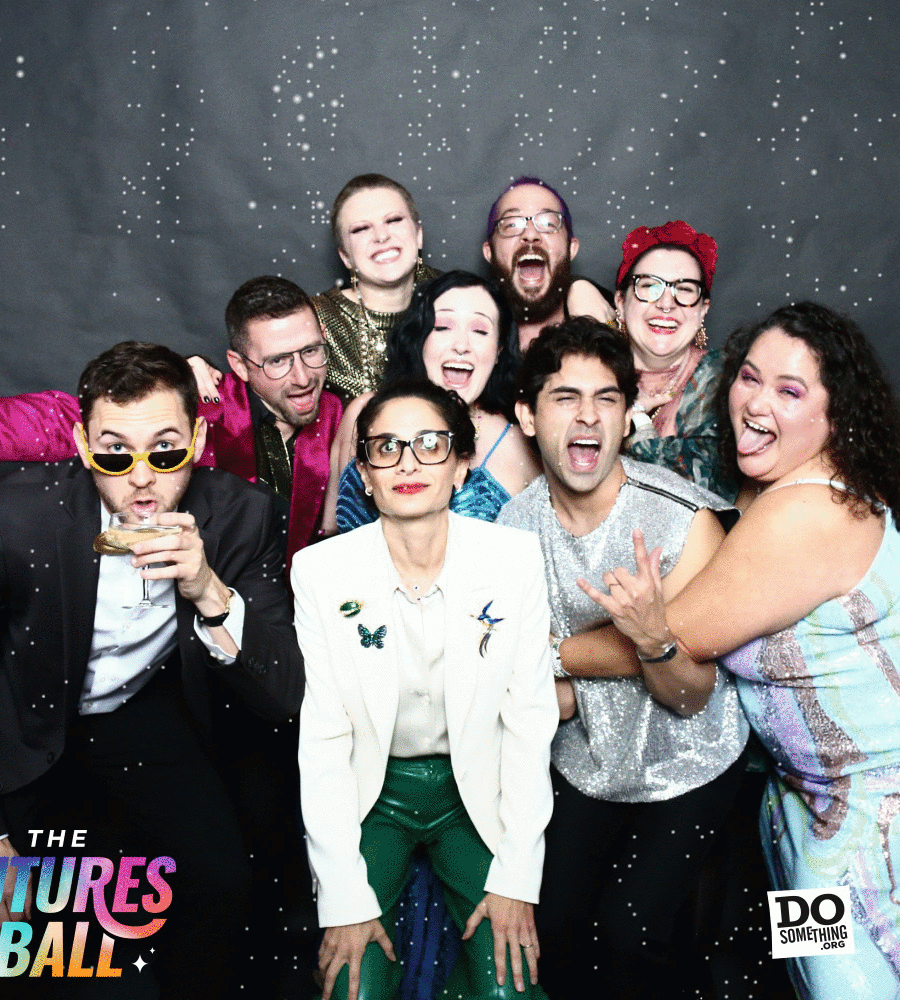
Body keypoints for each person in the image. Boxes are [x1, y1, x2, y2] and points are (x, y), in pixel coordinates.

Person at [0, 341, 304, 997]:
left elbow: (285, 692)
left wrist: (208, 590)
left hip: (138, 717)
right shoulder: (12, 515)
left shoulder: (239, 516)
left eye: (165, 449)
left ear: (200, 439)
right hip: (22, 721)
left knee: (224, 886)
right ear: (84, 445)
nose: (141, 476)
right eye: (116, 452)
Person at [579, 302, 900, 1000]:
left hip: (877, 823)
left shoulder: (811, 509)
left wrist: (543, 651)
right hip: (805, 811)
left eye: (789, 391)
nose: (755, 402)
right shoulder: (766, 492)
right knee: (811, 985)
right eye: (749, 378)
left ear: (835, 416)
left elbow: (679, 633)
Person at [496, 319, 748, 1000]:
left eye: (607, 398)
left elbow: (692, 697)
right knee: (553, 929)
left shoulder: (684, 520)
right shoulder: (509, 535)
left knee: (629, 933)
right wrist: (562, 680)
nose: (587, 416)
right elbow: (531, 690)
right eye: (565, 397)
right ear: (527, 412)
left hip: (691, 762)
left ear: (626, 414)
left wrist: (654, 640)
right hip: (586, 764)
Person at [292, 379, 558, 1000]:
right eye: (386, 448)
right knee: (352, 986)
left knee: (509, 986)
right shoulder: (322, 571)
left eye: (430, 444)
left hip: (474, 792)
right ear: (364, 473)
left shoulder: (514, 559)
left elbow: (528, 725)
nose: (408, 462)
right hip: (374, 791)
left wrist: (517, 880)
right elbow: (325, 740)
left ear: (462, 465)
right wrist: (343, 900)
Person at [0, 275, 342, 566]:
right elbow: (61, 418)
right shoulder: (209, 408)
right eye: (278, 361)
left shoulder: (345, 417)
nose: (302, 376)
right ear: (240, 365)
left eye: (311, 352)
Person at [329, 270, 541, 534]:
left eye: (480, 330)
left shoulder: (518, 445)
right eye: (442, 327)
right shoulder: (364, 414)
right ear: (419, 339)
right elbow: (328, 532)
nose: (461, 345)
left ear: (498, 350)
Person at [613, 219, 738, 500]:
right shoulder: (592, 373)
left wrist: (628, 429)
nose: (666, 304)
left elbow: (705, 490)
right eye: (649, 286)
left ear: (703, 309)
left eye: (684, 289)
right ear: (621, 302)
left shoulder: (727, 380)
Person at [311, 173, 440, 401]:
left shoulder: (458, 297)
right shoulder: (314, 321)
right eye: (361, 229)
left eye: (393, 220)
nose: (381, 236)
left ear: (419, 235)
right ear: (345, 256)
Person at [483, 175, 614, 349]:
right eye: (512, 224)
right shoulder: (464, 337)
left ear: (571, 248)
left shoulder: (616, 325)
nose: (530, 234)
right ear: (489, 252)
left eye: (548, 223)